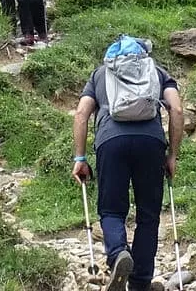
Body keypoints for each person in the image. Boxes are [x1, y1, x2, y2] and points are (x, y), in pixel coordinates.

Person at [72, 37, 183, 291]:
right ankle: (141, 281)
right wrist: (173, 155)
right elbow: (176, 110)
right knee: (148, 214)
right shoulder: (156, 72)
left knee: (111, 210)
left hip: (111, 143)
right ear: (143, 55)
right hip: (150, 143)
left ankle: (118, 253)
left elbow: (81, 113)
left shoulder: (100, 74)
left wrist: (80, 158)